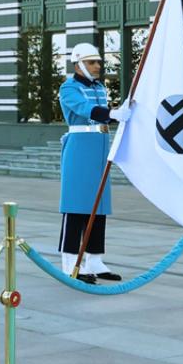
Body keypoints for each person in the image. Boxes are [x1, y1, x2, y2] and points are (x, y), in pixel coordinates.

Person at [58, 43, 131, 283]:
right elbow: (83, 108)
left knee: (99, 205)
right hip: (80, 147)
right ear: (79, 64)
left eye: (98, 62)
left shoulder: (99, 87)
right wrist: (111, 113)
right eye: (92, 62)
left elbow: (101, 113)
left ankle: (94, 260)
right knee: (76, 205)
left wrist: (120, 112)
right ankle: (70, 262)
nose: (98, 66)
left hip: (100, 147)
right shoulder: (69, 87)